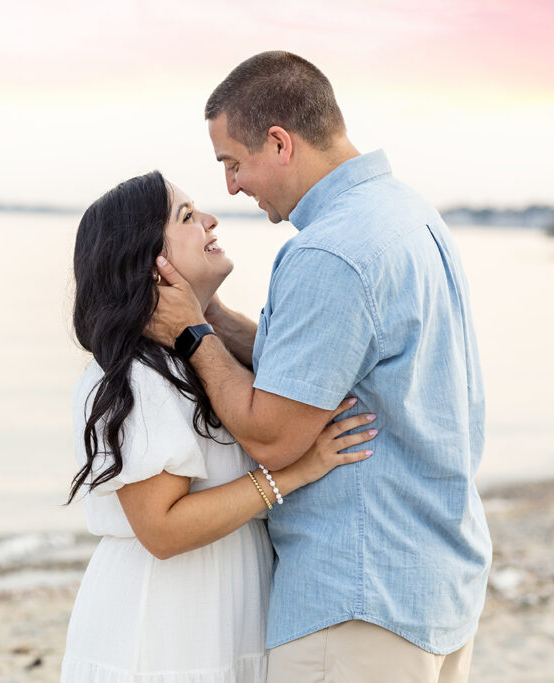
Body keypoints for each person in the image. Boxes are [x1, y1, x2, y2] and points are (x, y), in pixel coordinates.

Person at [146, 51, 491, 683]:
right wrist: (214, 317)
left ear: (279, 142)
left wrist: (192, 335)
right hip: (436, 580)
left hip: (358, 598)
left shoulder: (331, 251)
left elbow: (273, 436)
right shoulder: (408, 215)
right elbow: (320, 370)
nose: (230, 188)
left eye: (233, 163)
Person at [61, 170, 377, 682]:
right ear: (150, 262)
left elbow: (287, 376)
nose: (210, 220)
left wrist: (204, 317)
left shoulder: (201, 358)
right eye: (187, 217)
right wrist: (293, 473)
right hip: (168, 616)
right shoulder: (136, 375)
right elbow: (162, 529)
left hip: (229, 600)